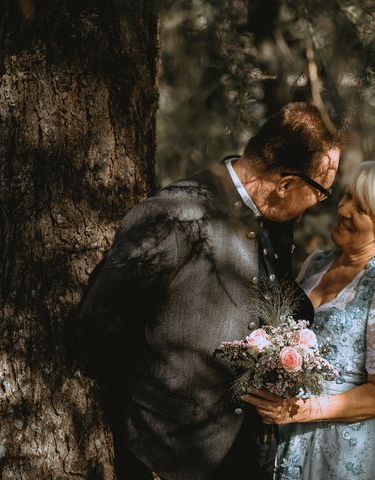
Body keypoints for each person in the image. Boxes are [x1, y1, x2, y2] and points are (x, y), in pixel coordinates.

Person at [76, 102, 341, 480]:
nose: (319, 205)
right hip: (166, 455)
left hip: (247, 453)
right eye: (322, 192)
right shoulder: (175, 216)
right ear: (285, 184)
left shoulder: (278, 221)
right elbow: (100, 330)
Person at [242, 161, 375, 480]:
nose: (343, 210)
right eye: (347, 197)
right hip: (289, 437)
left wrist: (300, 410)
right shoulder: (318, 263)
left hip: (350, 452)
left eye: (362, 209)